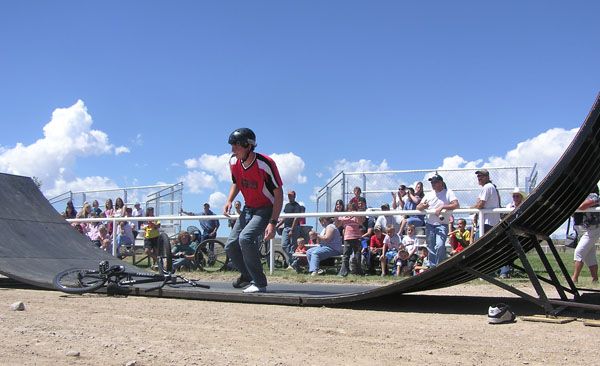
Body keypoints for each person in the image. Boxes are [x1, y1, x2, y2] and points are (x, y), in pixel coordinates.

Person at [223, 128, 283, 294]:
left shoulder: (265, 163)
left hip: (265, 208)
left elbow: (278, 193)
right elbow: (236, 182)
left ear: (248, 145)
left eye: (236, 146)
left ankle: (259, 283)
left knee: (246, 238)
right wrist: (229, 200)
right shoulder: (234, 162)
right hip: (248, 208)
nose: (233, 150)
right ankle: (247, 276)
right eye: (232, 146)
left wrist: (272, 222)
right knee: (231, 246)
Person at [417, 174, 459, 267]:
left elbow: (456, 204)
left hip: (442, 224)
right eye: (432, 182)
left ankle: (440, 266)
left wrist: (443, 206)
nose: (432, 184)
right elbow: (418, 207)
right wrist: (423, 206)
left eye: (435, 182)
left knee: (439, 245)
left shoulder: (448, 192)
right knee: (431, 247)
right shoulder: (429, 194)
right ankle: (433, 268)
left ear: (441, 183)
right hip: (430, 224)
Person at [571, 185, 600, 283]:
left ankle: (574, 278)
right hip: (586, 229)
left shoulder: (594, 196)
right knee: (589, 255)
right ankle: (595, 279)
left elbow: (582, 207)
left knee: (579, 252)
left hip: (593, 228)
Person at [337, 201, 365, 277]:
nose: (350, 210)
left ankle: (358, 271)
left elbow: (360, 223)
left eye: (352, 209)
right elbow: (338, 224)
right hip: (347, 238)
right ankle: (343, 272)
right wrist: (341, 216)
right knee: (346, 255)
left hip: (356, 237)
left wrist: (356, 214)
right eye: (349, 209)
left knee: (357, 255)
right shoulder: (344, 217)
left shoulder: (356, 216)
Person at [472, 169, 501, 235]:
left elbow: (480, 204)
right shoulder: (490, 187)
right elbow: (479, 202)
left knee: (478, 244)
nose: (479, 178)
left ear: (487, 177)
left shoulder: (487, 187)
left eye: (481, 176)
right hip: (490, 223)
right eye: (478, 176)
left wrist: (471, 209)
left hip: (487, 223)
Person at [278, 190, 302, 268]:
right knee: (284, 245)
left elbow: (296, 218)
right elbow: (285, 217)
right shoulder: (287, 205)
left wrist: (292, 229)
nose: (289, 197)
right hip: (286, 227)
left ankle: (292, 264)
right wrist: (277, 225)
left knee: (293, 246)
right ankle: (294, 260)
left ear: (294, 196)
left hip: (294, 228)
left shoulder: (297, 206)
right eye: (288, 195)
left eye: (291, 195)